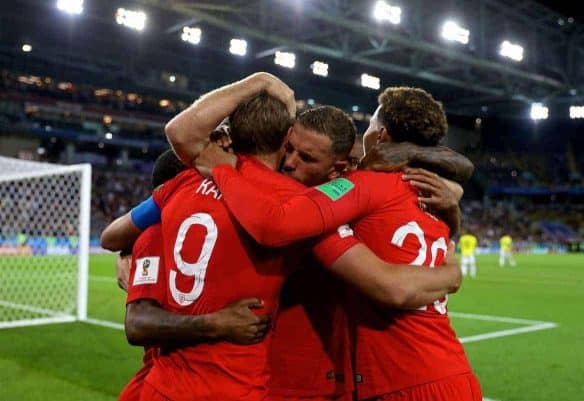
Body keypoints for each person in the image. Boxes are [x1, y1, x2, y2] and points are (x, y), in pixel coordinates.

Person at [103, 76, 462, 401]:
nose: (290, 162)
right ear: (281, 138)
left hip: (319, 376)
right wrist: (133, 249)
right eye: (289, 148)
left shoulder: (324, 203)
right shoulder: (289, 201)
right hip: (267, 376)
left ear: (341, 169)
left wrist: (452, 241)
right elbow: (126, 229)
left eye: (307, 157)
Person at [193, 85, 481, 401]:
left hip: (398, 377)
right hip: (448, 368)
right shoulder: (430, 192)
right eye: (289, 150)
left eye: (369, 125)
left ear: (381, 135)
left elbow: (276, 223)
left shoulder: (360, 187)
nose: (290, 162)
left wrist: (224, 167)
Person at [114, 150, 276, 401]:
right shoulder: (154, 236)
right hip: (170, 382)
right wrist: (216, 323)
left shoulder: (222, 228)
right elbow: (137, 324)